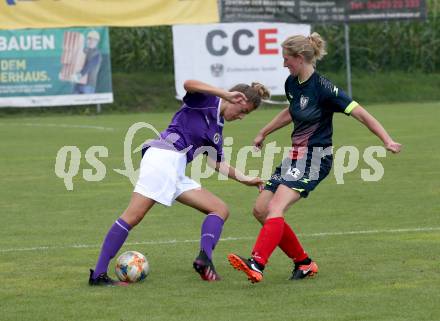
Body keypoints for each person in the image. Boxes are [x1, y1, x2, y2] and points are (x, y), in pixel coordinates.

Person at [227, 32, 402, 283]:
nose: (284, 63)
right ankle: (304, 263)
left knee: (276, 207)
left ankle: (257, 263)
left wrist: (386, 140)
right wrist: (263, 132)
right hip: (295, 157)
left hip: (315, 159)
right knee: (261, 210)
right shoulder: (292, 83)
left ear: (300, 58)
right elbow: (292, 111)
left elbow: (361, 113)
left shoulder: (324, 88)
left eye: (287, 58)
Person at [89, 80, 270, 286]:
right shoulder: (206, 100)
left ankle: (205, 259)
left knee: (219, 209)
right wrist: (224, 94)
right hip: (163, 157)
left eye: (246, 115)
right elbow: (189, 83)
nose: (241, 117)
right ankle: (98, 274)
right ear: (235, 98)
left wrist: (247, 179)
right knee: (133, 215)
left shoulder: (218, 128)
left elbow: (216, 162)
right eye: (243, 111)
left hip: (176, 166)